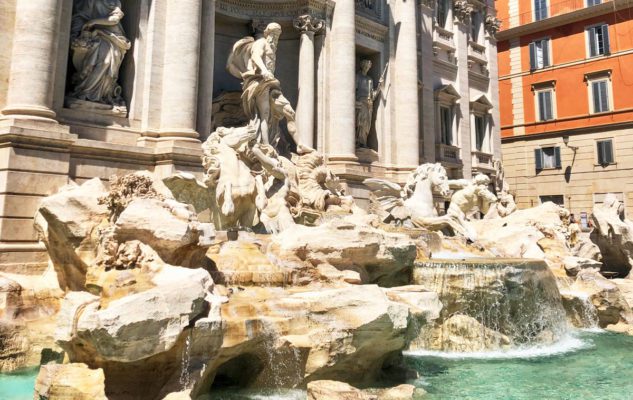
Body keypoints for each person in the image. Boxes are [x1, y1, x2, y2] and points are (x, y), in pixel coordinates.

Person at [227, 23, 311, 154]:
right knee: (264, 115)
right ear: (267, 33)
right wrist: (264, 70)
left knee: (290, 112)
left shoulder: (272, 47)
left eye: (277, 34)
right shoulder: (261, 42)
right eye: (273, 34)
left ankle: (299, 145)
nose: (275, 37)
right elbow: (255, 56)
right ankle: (266, 146)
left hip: (271, 84)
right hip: (260, 82)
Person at [69, 0, 131, 106]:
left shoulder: (114, 2)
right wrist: (75, 36)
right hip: (95, 37)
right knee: (97, 63)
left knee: (108, 61)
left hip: (113, 37)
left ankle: (104, 95)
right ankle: (85, 92)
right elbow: (80, 16)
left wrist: (93, 22)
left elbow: (115, 19)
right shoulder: (88, 2)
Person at [355, 59, 384, 148]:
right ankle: (358, 142)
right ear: (363, 66)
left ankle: (363, 142)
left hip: (369, 104)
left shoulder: (370, 80)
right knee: (360, 122)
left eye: (369, 67)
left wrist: (379, 86)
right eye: (366, 66)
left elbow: (373, 95)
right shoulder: (357, 77)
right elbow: (353, 90)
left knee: (367, 124)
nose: (367, 68)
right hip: (360, 102)